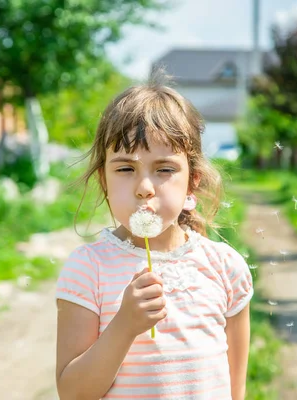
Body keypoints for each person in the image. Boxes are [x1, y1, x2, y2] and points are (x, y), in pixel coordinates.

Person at [55, 69, 254, 400]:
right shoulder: (88, 269)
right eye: (125, 169)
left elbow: (237, 390)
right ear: (104, 181)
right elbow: (73, 394)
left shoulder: (226, 268)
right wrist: (124, 326)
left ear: (193, 181)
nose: (144, 188)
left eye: (164, 169)